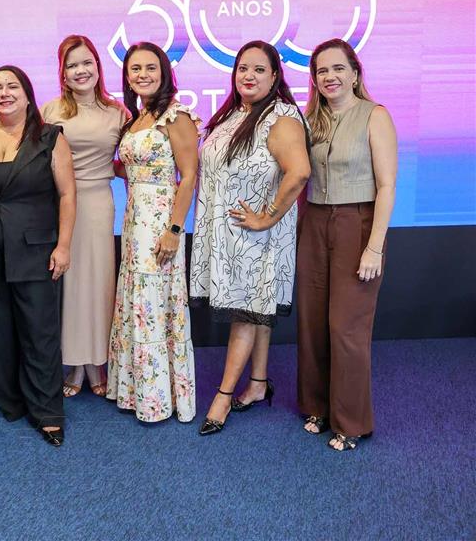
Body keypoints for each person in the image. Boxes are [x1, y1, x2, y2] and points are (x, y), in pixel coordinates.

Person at [190, 40, 310, 436]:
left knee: (244, 311)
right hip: (227, 237)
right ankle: (258, 383)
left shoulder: (281, 117)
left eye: (259, 69)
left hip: (255, 240)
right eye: (243, 68)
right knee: (257, 309)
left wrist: (267, 217)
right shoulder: (234, 113)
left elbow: (299, 172)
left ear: (275, 76)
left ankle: (222, 397)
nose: (249, 75)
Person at [0, 65, 76, 446]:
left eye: (12, 87)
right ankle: (10, 401)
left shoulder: (50, 137)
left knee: (39, 332)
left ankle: (47, 412)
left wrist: (64, 245)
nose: (4, 93)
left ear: (27, 95)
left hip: (36, 249)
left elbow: (67, 194)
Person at [296, 39, 397, 451]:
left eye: (338, 68)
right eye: (322, 70)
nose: (330, 76)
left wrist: (374, 247)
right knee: (312, 321)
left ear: (355, 73)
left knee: (346, 327)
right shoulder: (309, 121)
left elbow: (387, 186)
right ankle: (317, 407)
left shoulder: (375, 115)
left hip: (358, 224)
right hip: (314, 223)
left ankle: (351, 423)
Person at [106, 42, 198, 423]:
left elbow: (188, 176)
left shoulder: (176, 116)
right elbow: (131, 168)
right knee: (137, 300)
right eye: (135, 69)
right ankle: (136, 391)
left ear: (164, 73)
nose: (142, 74)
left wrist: (175, 229)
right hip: (133, 222)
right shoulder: (137, 119)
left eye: (150, 68)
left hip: (161, 223)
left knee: (156, 304)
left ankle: (161, 398)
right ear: (127, 76)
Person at [41, 34, 127, 397]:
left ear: (98, 66)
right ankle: (74, 364)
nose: (81, 70)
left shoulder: (118, 112)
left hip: (97, 204)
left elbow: (127, 160)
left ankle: (97, 362)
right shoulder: (49, 112)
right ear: (62, 72)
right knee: (70, 285)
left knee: (98, 284)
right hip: (60, 205)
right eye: (72, 65)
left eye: (86, 62)